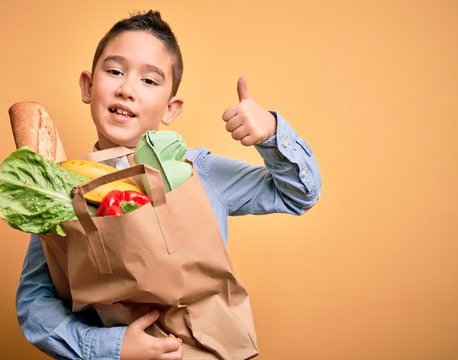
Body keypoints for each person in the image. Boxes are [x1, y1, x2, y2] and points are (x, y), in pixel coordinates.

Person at [16, 10, 321, 360]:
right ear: (88, 85)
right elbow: (34, 302)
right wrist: (112, 348)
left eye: (149, 81)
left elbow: (298, 193)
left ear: (171, 107)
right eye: (114, 71)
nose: (127, 89)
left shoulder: (196, 171)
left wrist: (270, 132)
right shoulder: (61, 193)